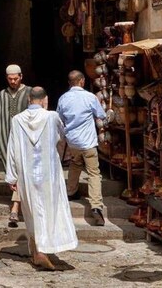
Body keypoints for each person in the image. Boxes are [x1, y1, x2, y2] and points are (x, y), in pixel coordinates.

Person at [6, 86, 78, 270]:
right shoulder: (52, 117)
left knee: (32, 213)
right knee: (48, 211)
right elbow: (62, 136)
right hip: (49, 174)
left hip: (27, 175)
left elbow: (12, 149)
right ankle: (42, 251)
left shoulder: (17, 120)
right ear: (44, 99)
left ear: (29, 99)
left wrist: (12, 177)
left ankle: (38, 250)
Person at [57, 69, 107, 226]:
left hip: (73, 142)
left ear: (69, 83)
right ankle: (96, 206)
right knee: (93, 173)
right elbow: (102, 115)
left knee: (75, 164)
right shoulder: (90, 97)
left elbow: (60, 119)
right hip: (88, 142)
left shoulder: (63, 98)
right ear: (82, 81)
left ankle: (71, 192)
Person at [0, 64, 30, 227]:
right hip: (7, 141)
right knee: (15, 174)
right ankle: (18, 205)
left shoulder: (29, 93)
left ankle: (15, 207)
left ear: (21, 76)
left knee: (20, 173)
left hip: (25, 142)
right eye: (10, 79)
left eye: (16, 78)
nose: (13, 81)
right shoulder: (1, 95)